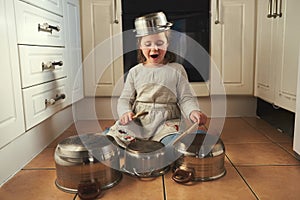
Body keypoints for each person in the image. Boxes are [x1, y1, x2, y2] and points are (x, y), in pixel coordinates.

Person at [108, 12, 207, 146]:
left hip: (167, 123)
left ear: (167, 44)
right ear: (140, 46)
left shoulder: (177, 70)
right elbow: (125, 99)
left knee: (174, 144)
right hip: (139, 122)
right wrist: (125, 112)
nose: (154, 48)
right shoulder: (135, 72)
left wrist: (193, 111)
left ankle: (165, 146)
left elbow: (186, 98)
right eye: (147, 44)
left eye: (160, 43)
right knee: (112, 136)